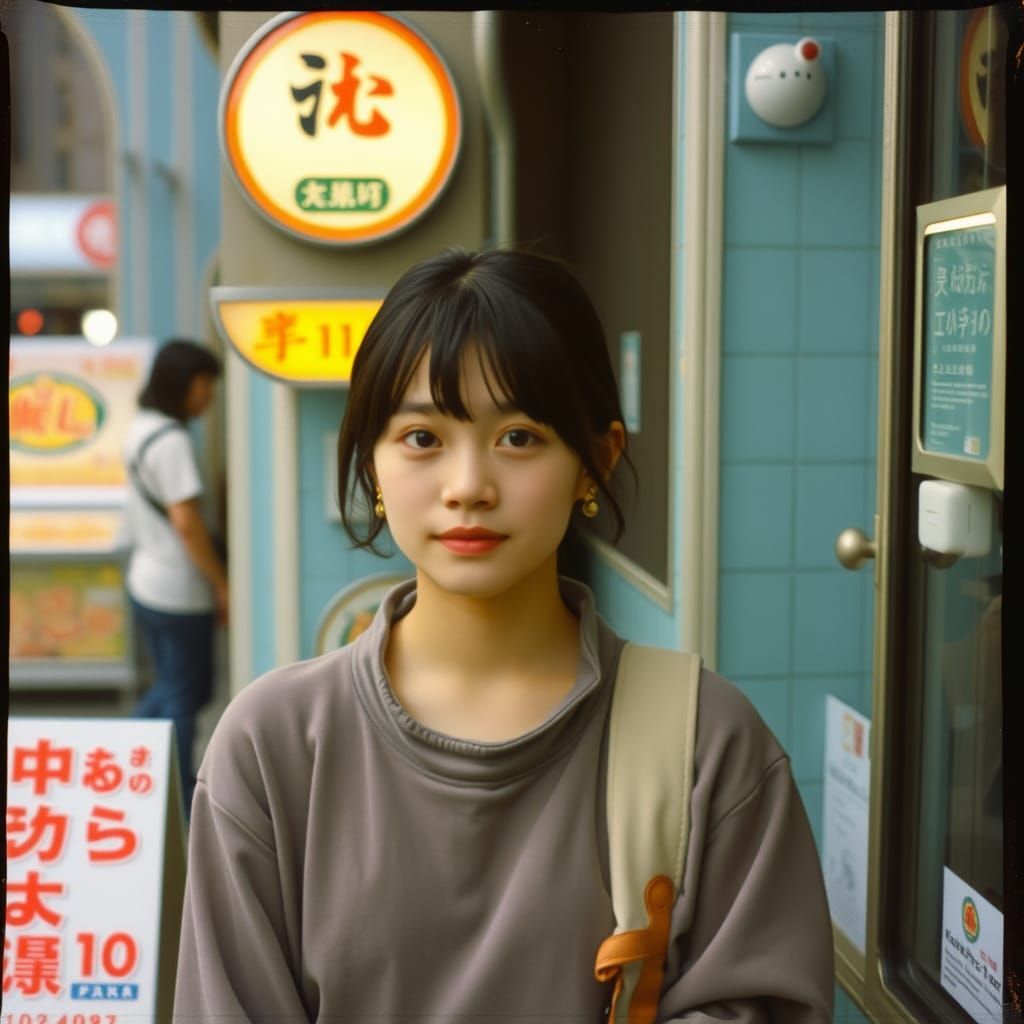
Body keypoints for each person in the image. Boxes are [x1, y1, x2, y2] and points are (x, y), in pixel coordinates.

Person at [174, 249, 834, 1022]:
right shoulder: (273, 745)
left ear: (597, 460)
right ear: (372, 465)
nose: (467, 487)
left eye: (519, 437)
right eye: (422, 438)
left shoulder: (706, 741)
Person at [123, 339, 227, 816]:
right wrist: (221, 582)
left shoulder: (141, 428)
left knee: (173, 684)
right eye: (205, 385)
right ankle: (180, 800)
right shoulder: (173, 442)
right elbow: (187, 523)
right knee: (186, 695)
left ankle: (126, 755)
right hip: (179, 589)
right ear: (183, 385)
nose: (208, 396)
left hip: (145, 579)